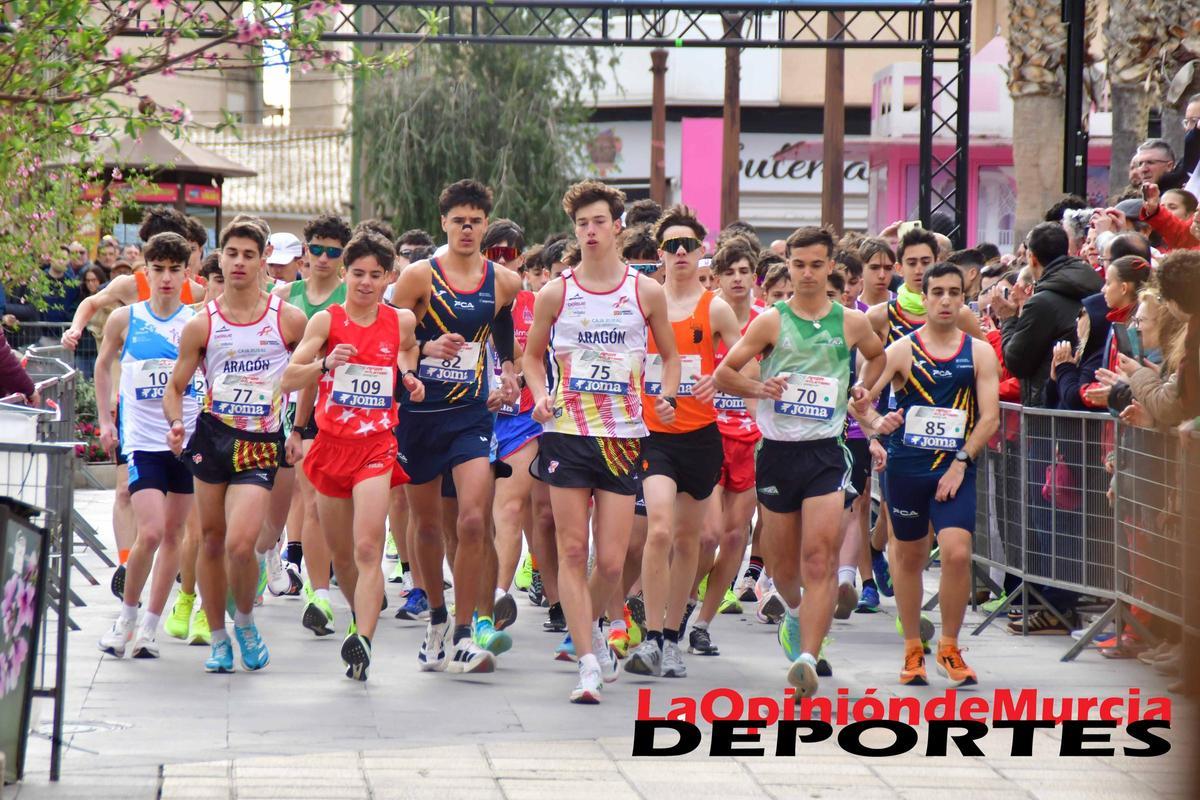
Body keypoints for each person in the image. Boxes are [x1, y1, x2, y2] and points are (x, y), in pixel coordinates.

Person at [713, 226, 890, 697]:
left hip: (825, 453)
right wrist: (760, 387)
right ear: (787, 266)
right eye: (799, 264)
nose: (807, 273)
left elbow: (878, 358)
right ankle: (793, 613)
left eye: (816, 264)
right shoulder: (770, 322)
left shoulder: (850, 323)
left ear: (831, 266)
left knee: (820, 556)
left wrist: (862, 391)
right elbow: (724, 373)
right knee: (785, 568)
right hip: (776, 453)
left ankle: (810, 657)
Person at [523, 180, 680, 703]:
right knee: (572, 550)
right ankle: (588, 660)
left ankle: (584, 631)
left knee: (611, 563)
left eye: (598, 222)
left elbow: (671, 356)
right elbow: (531, 355)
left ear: (617, 227)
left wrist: (667, 396)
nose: (589, 231)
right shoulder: (556, 292)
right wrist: (541, 393)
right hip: (567, 433)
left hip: (622, 437)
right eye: (581, 224)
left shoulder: (645, 291)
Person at [163, 218, 308, 673]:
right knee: (209, 541)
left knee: (241, 545)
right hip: (212, 436)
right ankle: (219, 638)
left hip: (260, 441)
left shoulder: (286, 319)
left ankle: (244, 619)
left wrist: (299, 428)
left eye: (249, 254)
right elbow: (177, 385)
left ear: (264, 258)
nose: (240, 262)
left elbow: (309, 376)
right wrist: (174, 424)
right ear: (219, 259)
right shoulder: (201, 323)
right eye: (232, 254)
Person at [389, 179, 521, 674]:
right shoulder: (420, 277)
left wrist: (510, 374)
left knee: (471, 519)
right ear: (444, 222)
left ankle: (466, 630)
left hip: (471, 415)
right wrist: (423, 350)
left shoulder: (502, 281)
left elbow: (505, 330)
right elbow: (390, 336)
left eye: (476, 221)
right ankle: (438, 619)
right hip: (420, 415)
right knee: (425, 526)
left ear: (486, 225)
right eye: (459, 221)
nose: (467, 229)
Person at [282, 231, 423, 680]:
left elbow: (409, 347)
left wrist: (409, 374)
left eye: (375, 276)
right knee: (343, 557)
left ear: (388, 279)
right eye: (357, 274)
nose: (365, 282)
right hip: (330, 446)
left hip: (377, 446)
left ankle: (362, 640)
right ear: (345, 275)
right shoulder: (326, 321)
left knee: (368, 546)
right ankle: (355, 614)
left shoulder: (399, 320)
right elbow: (288, 378)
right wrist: (325, 364)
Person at [855, 261, 1000, 686]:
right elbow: (861, 403)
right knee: (911, 558)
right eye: (938, 292)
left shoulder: (979, 352)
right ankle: (912, 648)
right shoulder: (903, 349)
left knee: (956, 552)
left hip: (955, 470)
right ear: (925, 296)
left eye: (955, 292)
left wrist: (961, 463)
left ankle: (950, 647)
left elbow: (989, 419)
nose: (946, 300)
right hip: (906, 472)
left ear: (963, 297)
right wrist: (875, 428)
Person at [623, 205, 742, 679]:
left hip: (701, 437)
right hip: (654, 436)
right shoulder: (641, 301)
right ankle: (651, 636)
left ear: (700, 252)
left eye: (687, 245)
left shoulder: (712, 306)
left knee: (691, 539)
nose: (679, 253)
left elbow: (745, 361)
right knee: (660, 531)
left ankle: (672, 637)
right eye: (670, 246)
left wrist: (722, 380)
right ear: (659, 254)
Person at [94, 233, 200, 660]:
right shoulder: (127, 319)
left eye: (176, 269)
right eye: (159, 269)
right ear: (147, 271)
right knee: (152, 531)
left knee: (174, 534)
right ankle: (126, 617)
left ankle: (150, 629)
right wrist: (105, 419)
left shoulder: (196, 322)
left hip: (186, 441)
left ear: (187, 272)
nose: (167, 278)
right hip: (142, 443)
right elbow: (103, 366)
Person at [273, 213, 353, 636]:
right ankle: (312, 588)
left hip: (345, 411)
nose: (322, 258)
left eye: (332, 252)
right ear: (305, 252)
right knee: (306, 496)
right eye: (316, 249)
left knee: (334, 504)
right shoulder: (286, 294)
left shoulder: (350, 295)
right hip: (291, 406)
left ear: (344, 257)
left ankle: (334, 575)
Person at [689, 238, 761, 651]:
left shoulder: (765, 322)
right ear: (716, 277)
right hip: (706, 434)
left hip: (748, 440)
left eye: (744, 271)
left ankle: (702, 622)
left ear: (754, 276)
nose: (737, 279)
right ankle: (684, 597)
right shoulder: (703, 315)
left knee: (736, 537)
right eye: (729, 271)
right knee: (708, 535)